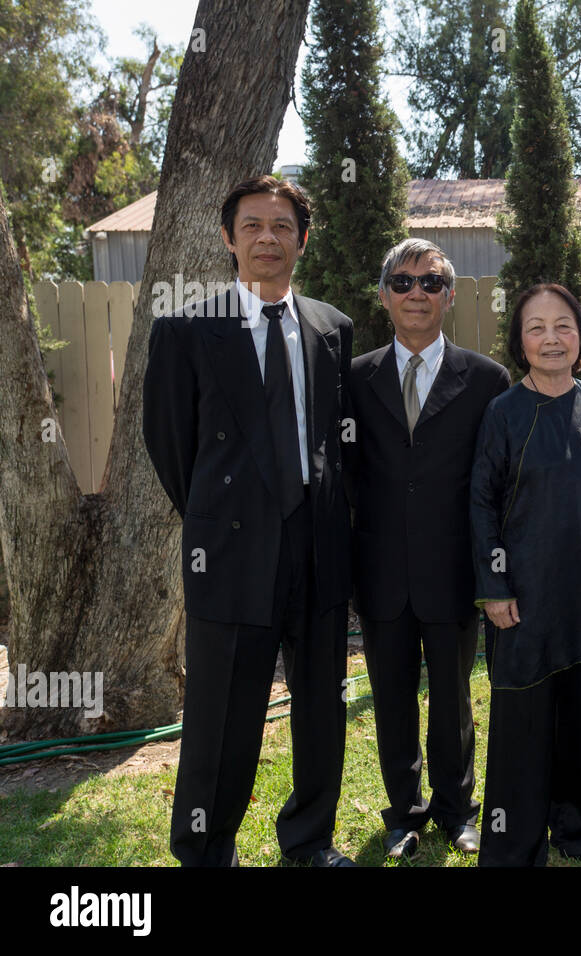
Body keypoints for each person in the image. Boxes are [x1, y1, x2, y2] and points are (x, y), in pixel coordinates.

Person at [142, 175, 355, 866]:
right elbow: (172, 445)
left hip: (317, 546)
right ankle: (206, 849)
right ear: (229, 238)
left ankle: (309, 842)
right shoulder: (187, 331)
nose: (269, 238)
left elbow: (329, 437)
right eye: (254, 226)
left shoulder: (331, 328)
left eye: (283, 226)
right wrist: (223, 515)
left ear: (301, 238)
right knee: (222, 714)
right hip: (229, 551)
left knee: (321, 707)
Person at [344, 239, 509, 859]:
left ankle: (457, 809)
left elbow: (493, 483)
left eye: (431, 282)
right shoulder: (355, 378)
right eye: (403, 282)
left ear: (451, 294)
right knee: (389, 697)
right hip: (381, 568)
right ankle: (402, 814)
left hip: (452, 569)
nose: (417, 293)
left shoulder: (486, 379)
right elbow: (346, 472)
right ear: (384, 294)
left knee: (453, 697)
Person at [469, 283, 581, 866]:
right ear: (520, 341)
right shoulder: (504, 412)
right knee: (525, 719)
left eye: (563, 326)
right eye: (536, 327)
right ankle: (516, 838)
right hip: (523, 593)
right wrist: (493, 586)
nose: (551, 338)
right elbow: (480, 503)